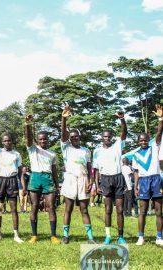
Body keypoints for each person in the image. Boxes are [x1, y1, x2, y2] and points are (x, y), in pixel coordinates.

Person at [59, 105, 95, 244]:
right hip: (70, 179)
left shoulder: (86, 151)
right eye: (71, 136)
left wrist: (91, 180)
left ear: (79, 137)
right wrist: (64, 118)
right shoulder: (66, 147)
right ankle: (65, 236)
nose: (74, 138)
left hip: (83, 180)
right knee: (68, 208)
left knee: (84, 209)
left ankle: (90, 237)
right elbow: (63, 133)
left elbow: (89, 166)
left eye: (76, 136)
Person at [93, 111, 128, 244]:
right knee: (108, 209)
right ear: (101, 138)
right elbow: (95, 170)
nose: (107, 138)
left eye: (109, 136)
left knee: (119, 209)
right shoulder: (97, 151)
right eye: (104, 137)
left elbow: (124, 133)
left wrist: (122, 119)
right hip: (105, 180)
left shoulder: (118, 145)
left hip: (118, 178)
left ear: (112, 137)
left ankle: (120, 236)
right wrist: (97, 185)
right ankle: (108, 236)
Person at [24, 115, 60, 244]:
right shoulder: (33, 149)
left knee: (51, 207)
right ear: (37, 141)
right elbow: (28, 139)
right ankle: (34, 235)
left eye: (45, 139)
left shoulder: (52, 154)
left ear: (47, 140)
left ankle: (53, 235)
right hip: (35, 177)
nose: (43, 141)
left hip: (48, 178)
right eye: (40, 139)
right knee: (34, 206)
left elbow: (55, 170)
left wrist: (57, 185)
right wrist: (28, 124)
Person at [133, 104, 163, 246]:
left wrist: (160, 118)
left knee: (158, 211)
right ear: (138, 141)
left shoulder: (155, 147)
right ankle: (141, 237)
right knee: (142, 211)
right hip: (144, 181)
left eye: (145, 139)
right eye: (141, 140)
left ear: (149, 139)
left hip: (156, 179)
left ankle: (159, 237)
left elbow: (159, 133)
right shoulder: (136, 154)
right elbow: (136, 172)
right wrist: (136, 186)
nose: (143, 142)